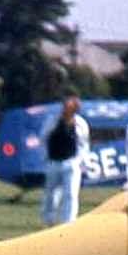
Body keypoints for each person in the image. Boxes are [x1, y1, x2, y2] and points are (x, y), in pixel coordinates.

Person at [40, 93, 89, 226]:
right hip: (53, 161)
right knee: (51, 193)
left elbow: (83, 144)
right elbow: (43, 138)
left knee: (71, 194)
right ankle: (48, 220)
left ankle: (69, 222)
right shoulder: (53, 121)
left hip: (71, 162)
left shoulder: (81, 124)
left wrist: (80, 161)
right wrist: (45, 157)